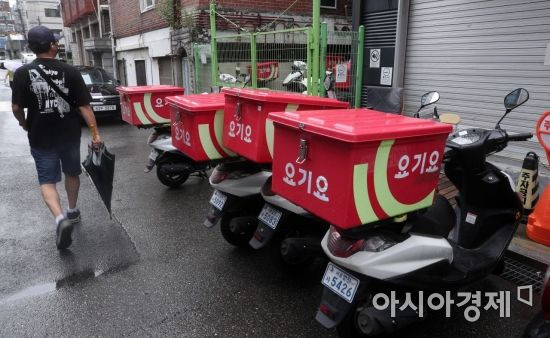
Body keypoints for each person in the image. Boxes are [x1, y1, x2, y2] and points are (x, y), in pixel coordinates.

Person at [11, 26, 101, 250]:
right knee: (72, 172)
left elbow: (15, 107)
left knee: (47, 180)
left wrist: (24, 123)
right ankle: (72, 210)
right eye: (55, 41)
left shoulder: (22, 73)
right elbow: (84, 106)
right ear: (52, 45)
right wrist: (96, 135)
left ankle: (60, 219)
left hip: (40, 135)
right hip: (68, 134)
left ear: (31, 48)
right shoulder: (70, 71)